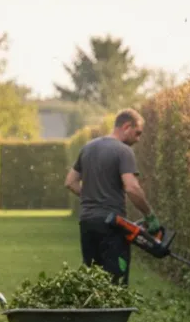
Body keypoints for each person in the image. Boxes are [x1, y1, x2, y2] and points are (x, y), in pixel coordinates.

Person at [63, 109, 159, 285]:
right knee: (115, 279)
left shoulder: (88, 147)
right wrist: (149, 215)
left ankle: (94, 312)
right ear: (126, 126)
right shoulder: (123, 151)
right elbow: (132, 188)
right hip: (111, 225)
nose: (138, 139)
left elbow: (70, 182)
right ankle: (114, 312)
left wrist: (92, 196)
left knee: (93, 279)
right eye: (137, 133)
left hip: (87, 223)